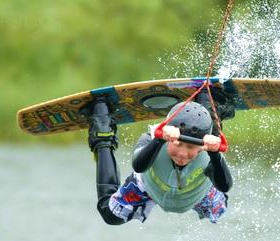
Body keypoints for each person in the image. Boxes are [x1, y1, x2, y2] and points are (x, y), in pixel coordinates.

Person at [87, 94, 233, 225]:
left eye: (190, 147)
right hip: (148, 187)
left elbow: (225, 186)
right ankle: (103, 132)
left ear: (201, 147)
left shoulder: (207, 152)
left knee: (220, 210)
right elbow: (138, 166)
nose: (183, 153)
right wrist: (160, 139)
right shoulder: (152, 138)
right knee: (110, 215)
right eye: (179, 144)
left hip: (197, 194)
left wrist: (215, 153)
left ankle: (210, 104)